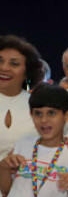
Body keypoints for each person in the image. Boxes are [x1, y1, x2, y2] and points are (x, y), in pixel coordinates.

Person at [0, 35, 44, 165]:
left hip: (29, 176)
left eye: (14, 64)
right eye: (0, 61)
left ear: (27, 72)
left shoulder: (39, 106)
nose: (4, 68)